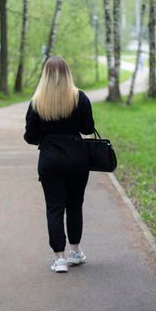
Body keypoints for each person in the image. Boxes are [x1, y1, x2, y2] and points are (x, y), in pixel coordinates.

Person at [23, 56, 95, 273]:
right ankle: (75, 252)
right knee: (75, 204)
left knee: (54, 208)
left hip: (50, 160)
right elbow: (87, 129)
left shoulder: (37, 102)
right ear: (67, 74)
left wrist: (47, 138)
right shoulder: (79, 98)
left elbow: (30, 136)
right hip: (77, 158)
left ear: (45, 75)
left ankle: (59, 258)